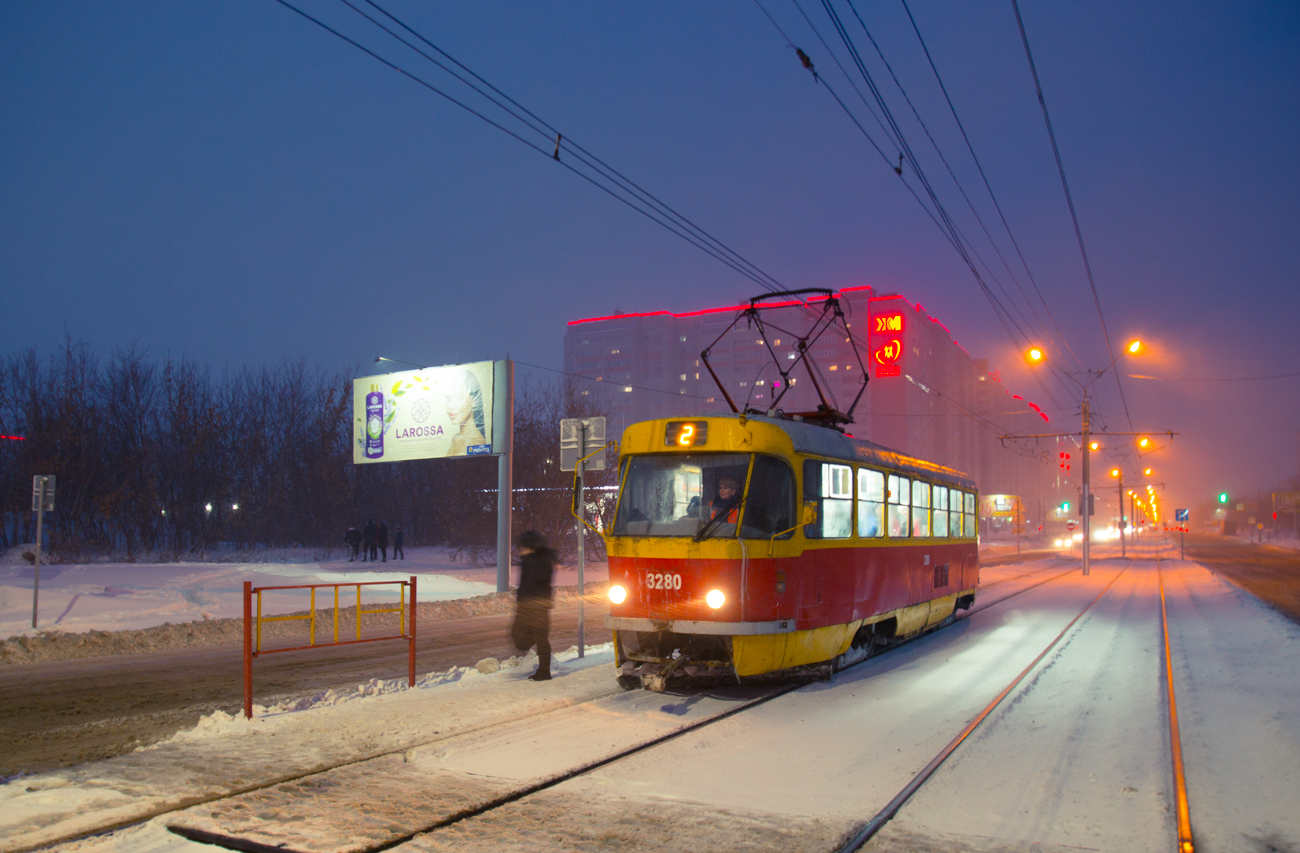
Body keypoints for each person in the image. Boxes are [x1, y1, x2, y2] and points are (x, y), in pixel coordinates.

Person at [510, 530, 556, 681]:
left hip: (535, 605)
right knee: (525, 636)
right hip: (530, 604)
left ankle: (544, 671)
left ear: (531, 547)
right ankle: (543, 668)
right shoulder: (533, 560)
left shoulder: (537, 561)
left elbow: (534, 583)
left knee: (540, 638)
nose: (520, 550)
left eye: (523, 546)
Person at [443, 369, 488, 456]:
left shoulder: (477, 443)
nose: (451, 406)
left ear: (474, 400)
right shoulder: (456, 439)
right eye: (448, 399)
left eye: (459, 397)